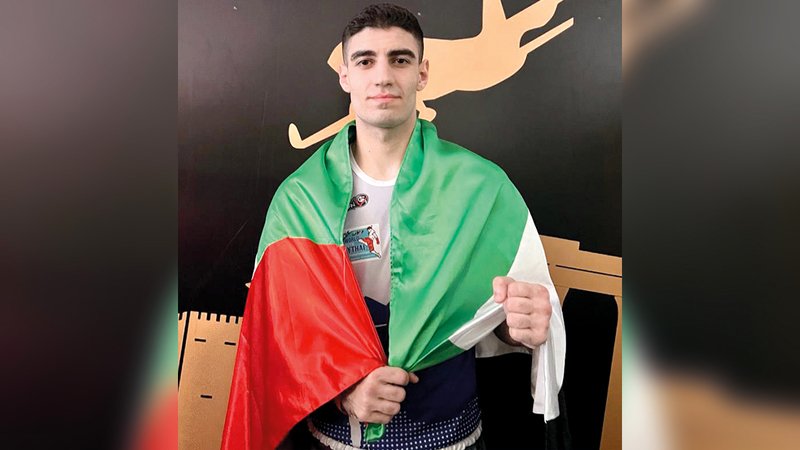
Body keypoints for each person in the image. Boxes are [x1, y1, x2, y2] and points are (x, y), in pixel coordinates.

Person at [221, 4, 565, 450]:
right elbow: (275, 336)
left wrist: (519, 326)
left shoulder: (483, 188)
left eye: (399, 59)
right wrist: (343, 390)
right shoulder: (299, 199)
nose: (383, 77)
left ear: (422, 73)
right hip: (335, 439)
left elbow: (496, 319)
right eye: (365, 61)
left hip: (453, 435)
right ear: (345, 76)